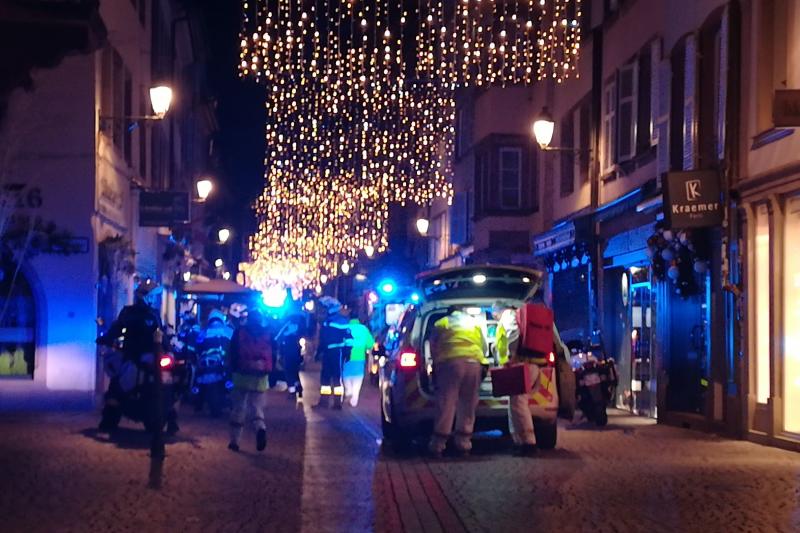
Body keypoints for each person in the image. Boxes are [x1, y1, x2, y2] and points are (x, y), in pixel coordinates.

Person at [96, 280, 177, 433]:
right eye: (152, 296)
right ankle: (171, 418)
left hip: (135, 355)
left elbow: (116, 329)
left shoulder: (132, 312)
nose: (154, 299)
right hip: (146, 356)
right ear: (145, 296)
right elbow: (161, 335)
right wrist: (169, 347)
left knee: (116, 384)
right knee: (118, 382)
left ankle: (109, 419)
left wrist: (107, 338)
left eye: (155, 296)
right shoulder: (149, 314)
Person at [428, 307, 488, 457]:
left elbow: (433, 346)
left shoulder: (442, 323)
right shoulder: (474, 323)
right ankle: (464, 444)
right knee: (468, 403)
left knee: (447, 402)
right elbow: (484, 346)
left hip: (451, 364)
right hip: (474, 363)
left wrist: (435, 363)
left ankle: (438, 445)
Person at [227, 310, 274, 452]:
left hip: (241, 376)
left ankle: (234, 442)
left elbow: (232, 353)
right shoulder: (267, 334)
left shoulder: (239, 333)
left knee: (239, 409)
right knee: (257, 409)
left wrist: (232, 370)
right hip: (260, 378)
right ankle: (260, 429)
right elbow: (274, 354)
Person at [195, 309, 233, 416]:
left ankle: (199, 401)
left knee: (197, 380)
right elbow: (235, 347)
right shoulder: (228, 331)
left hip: (207, 363)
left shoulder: (204, 332)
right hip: (222, 362)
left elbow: (197, 347)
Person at [315, 298, 352, 409]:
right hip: (330, 352)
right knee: (326, 377)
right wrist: (319, 352)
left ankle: (336, 403)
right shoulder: (328, 321)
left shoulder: (340, 321)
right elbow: (323, 339)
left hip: (336, 352)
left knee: (336, 378)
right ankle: (324, 402)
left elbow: (349, 339)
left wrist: (346, 353)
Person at [342, 307, 375, 408]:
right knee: (358, 379)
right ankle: (354, 399)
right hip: (360, 358)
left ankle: (348, 391)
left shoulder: (345, 328)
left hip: (346, 358)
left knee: (346, 376)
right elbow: (370, 344)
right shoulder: (363, 329)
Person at [277, 313, 305, 402]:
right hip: (296, 356)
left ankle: (292, 393)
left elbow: (280, 340)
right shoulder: (298, 332)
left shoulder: (287, 334)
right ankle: (299, 388)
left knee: (289, 374)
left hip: (288, 356)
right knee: (295, 373)